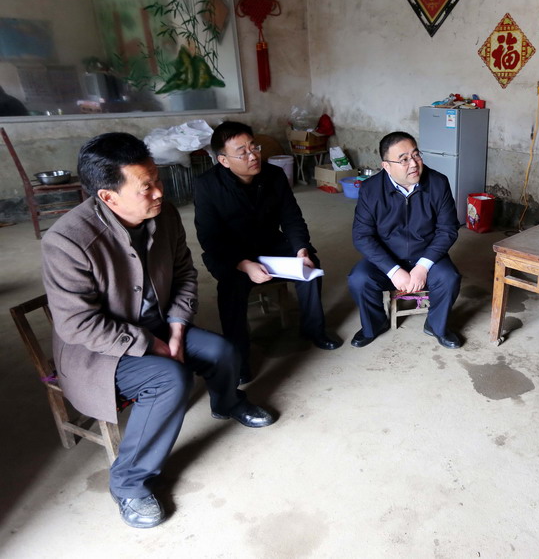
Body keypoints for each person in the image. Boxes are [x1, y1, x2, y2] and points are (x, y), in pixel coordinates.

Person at [41, 133, 276, 529]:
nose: (159, 192)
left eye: (157, 179)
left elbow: (184, 274)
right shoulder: (67, 241)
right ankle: (128, 483)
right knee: (170, 379)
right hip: (100, 351)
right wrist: (148, 342)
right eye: (145, 186)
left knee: (223, 351)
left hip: (159, 324)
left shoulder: (163, 216)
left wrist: (178, 328)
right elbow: (77, 323)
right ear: (108, 196)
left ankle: (227, 402)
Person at [194, 121, 340, 384]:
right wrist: (243, 264)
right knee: (230, 287)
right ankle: (239, 357)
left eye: (254, 147)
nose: (253, 156)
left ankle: (314, 329)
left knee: (309, 266)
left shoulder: (274, 175)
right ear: (223, 160)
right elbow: (210, 238)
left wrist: (301, 249)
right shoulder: (207, 185)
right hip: (233, 251)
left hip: (270, 243)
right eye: (243, 152)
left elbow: (292, 218)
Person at [348, 131, 462, 348]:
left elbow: (447, 230)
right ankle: (374, 325)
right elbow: (362, 236)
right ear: (386, 166)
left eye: (416, 155)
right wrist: (393, 270)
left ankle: (436, 326)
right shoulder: (371, 189)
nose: (414, 164)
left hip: (426, 255)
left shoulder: (438, 183)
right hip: (387, 258)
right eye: (404, 159)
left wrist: (423, 266)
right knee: (359, 279)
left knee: (449, 278)